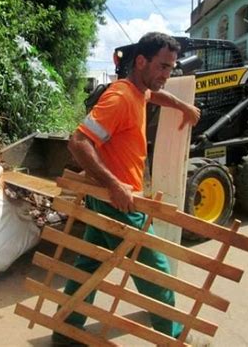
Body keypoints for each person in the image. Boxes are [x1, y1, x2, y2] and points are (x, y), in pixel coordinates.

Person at [52, 32, 201, 346]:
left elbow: (154, 96)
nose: (166, 74)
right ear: (141, 61)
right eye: (162, 66)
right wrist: (114, 184)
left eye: (171, 68)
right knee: (156, 275)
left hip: (105, 200)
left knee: (88, 264)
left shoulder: (139, 92)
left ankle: (66, 330)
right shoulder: (121, 98)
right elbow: (78, 143)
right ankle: (172, 339)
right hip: (119, 202)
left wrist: (181, 106)